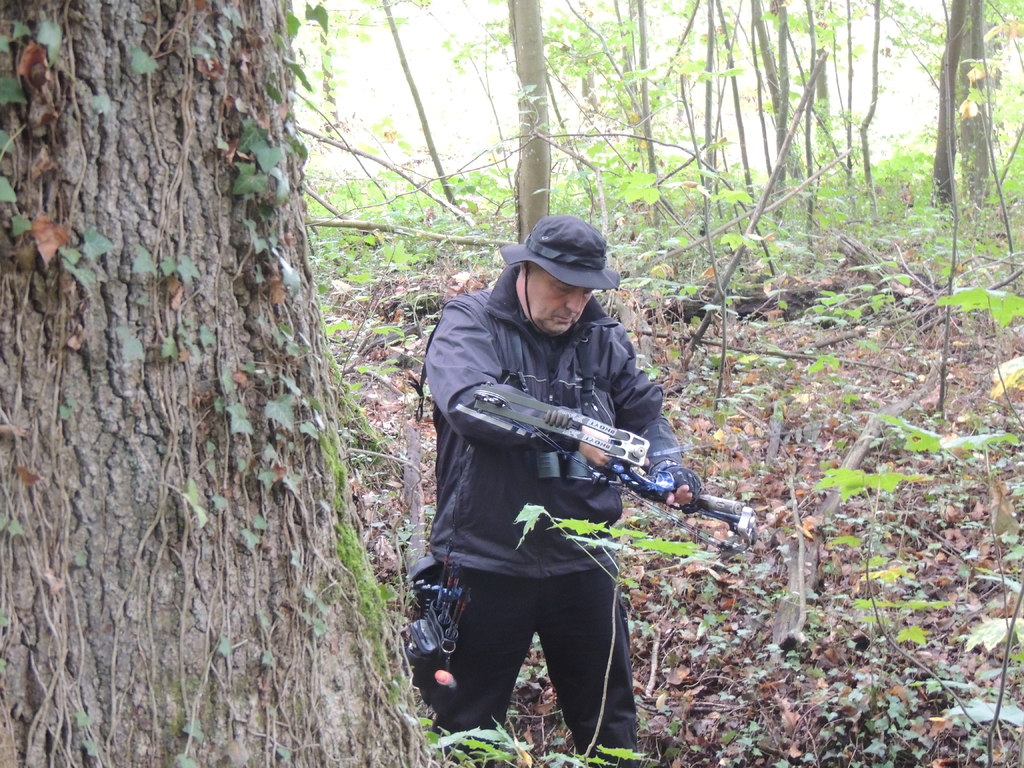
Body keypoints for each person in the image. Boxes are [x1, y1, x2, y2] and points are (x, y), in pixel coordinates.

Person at [421, 214, 701, 765]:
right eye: (561, 288)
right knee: (467, 729)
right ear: (525, 271)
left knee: (609, 725)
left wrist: (670, 467)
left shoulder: (602, 336)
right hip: (485, 557)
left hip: (584, 558)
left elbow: (644, 413)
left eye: (586, 292)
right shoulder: (470, 322)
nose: (574, 304)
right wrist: (576, 432)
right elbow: (472, 401)